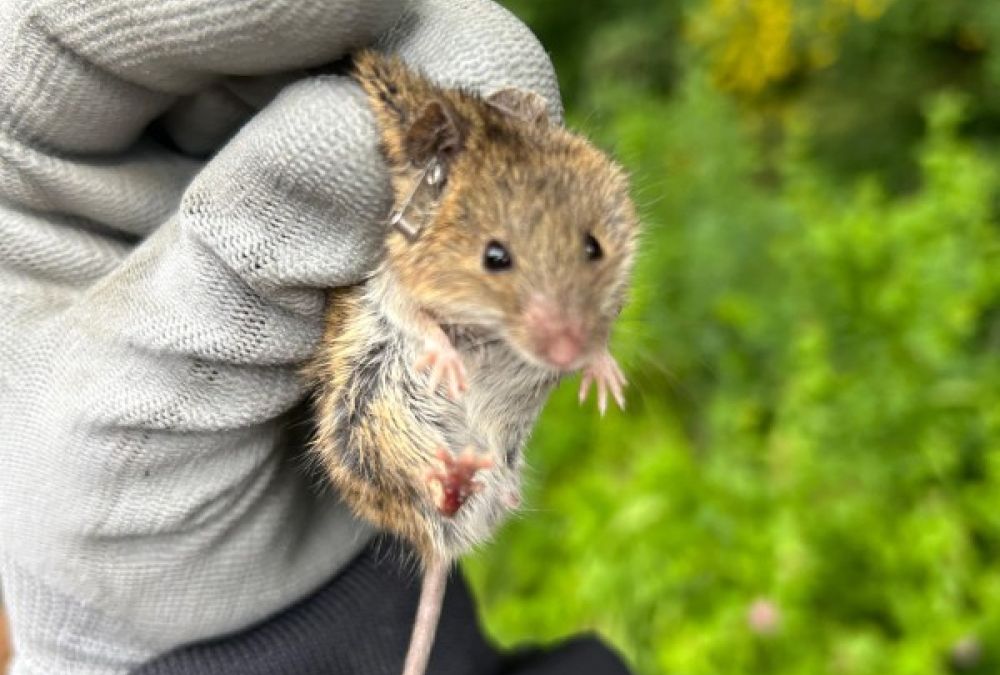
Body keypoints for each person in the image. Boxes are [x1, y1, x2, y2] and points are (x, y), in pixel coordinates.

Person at [0, 0, 631, 673]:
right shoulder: (429, 237)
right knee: (379, 419)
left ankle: (451, 484)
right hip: (395, 432)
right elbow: (404, 290)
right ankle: (439, 483)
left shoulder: (530, 216)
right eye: (498, 260)